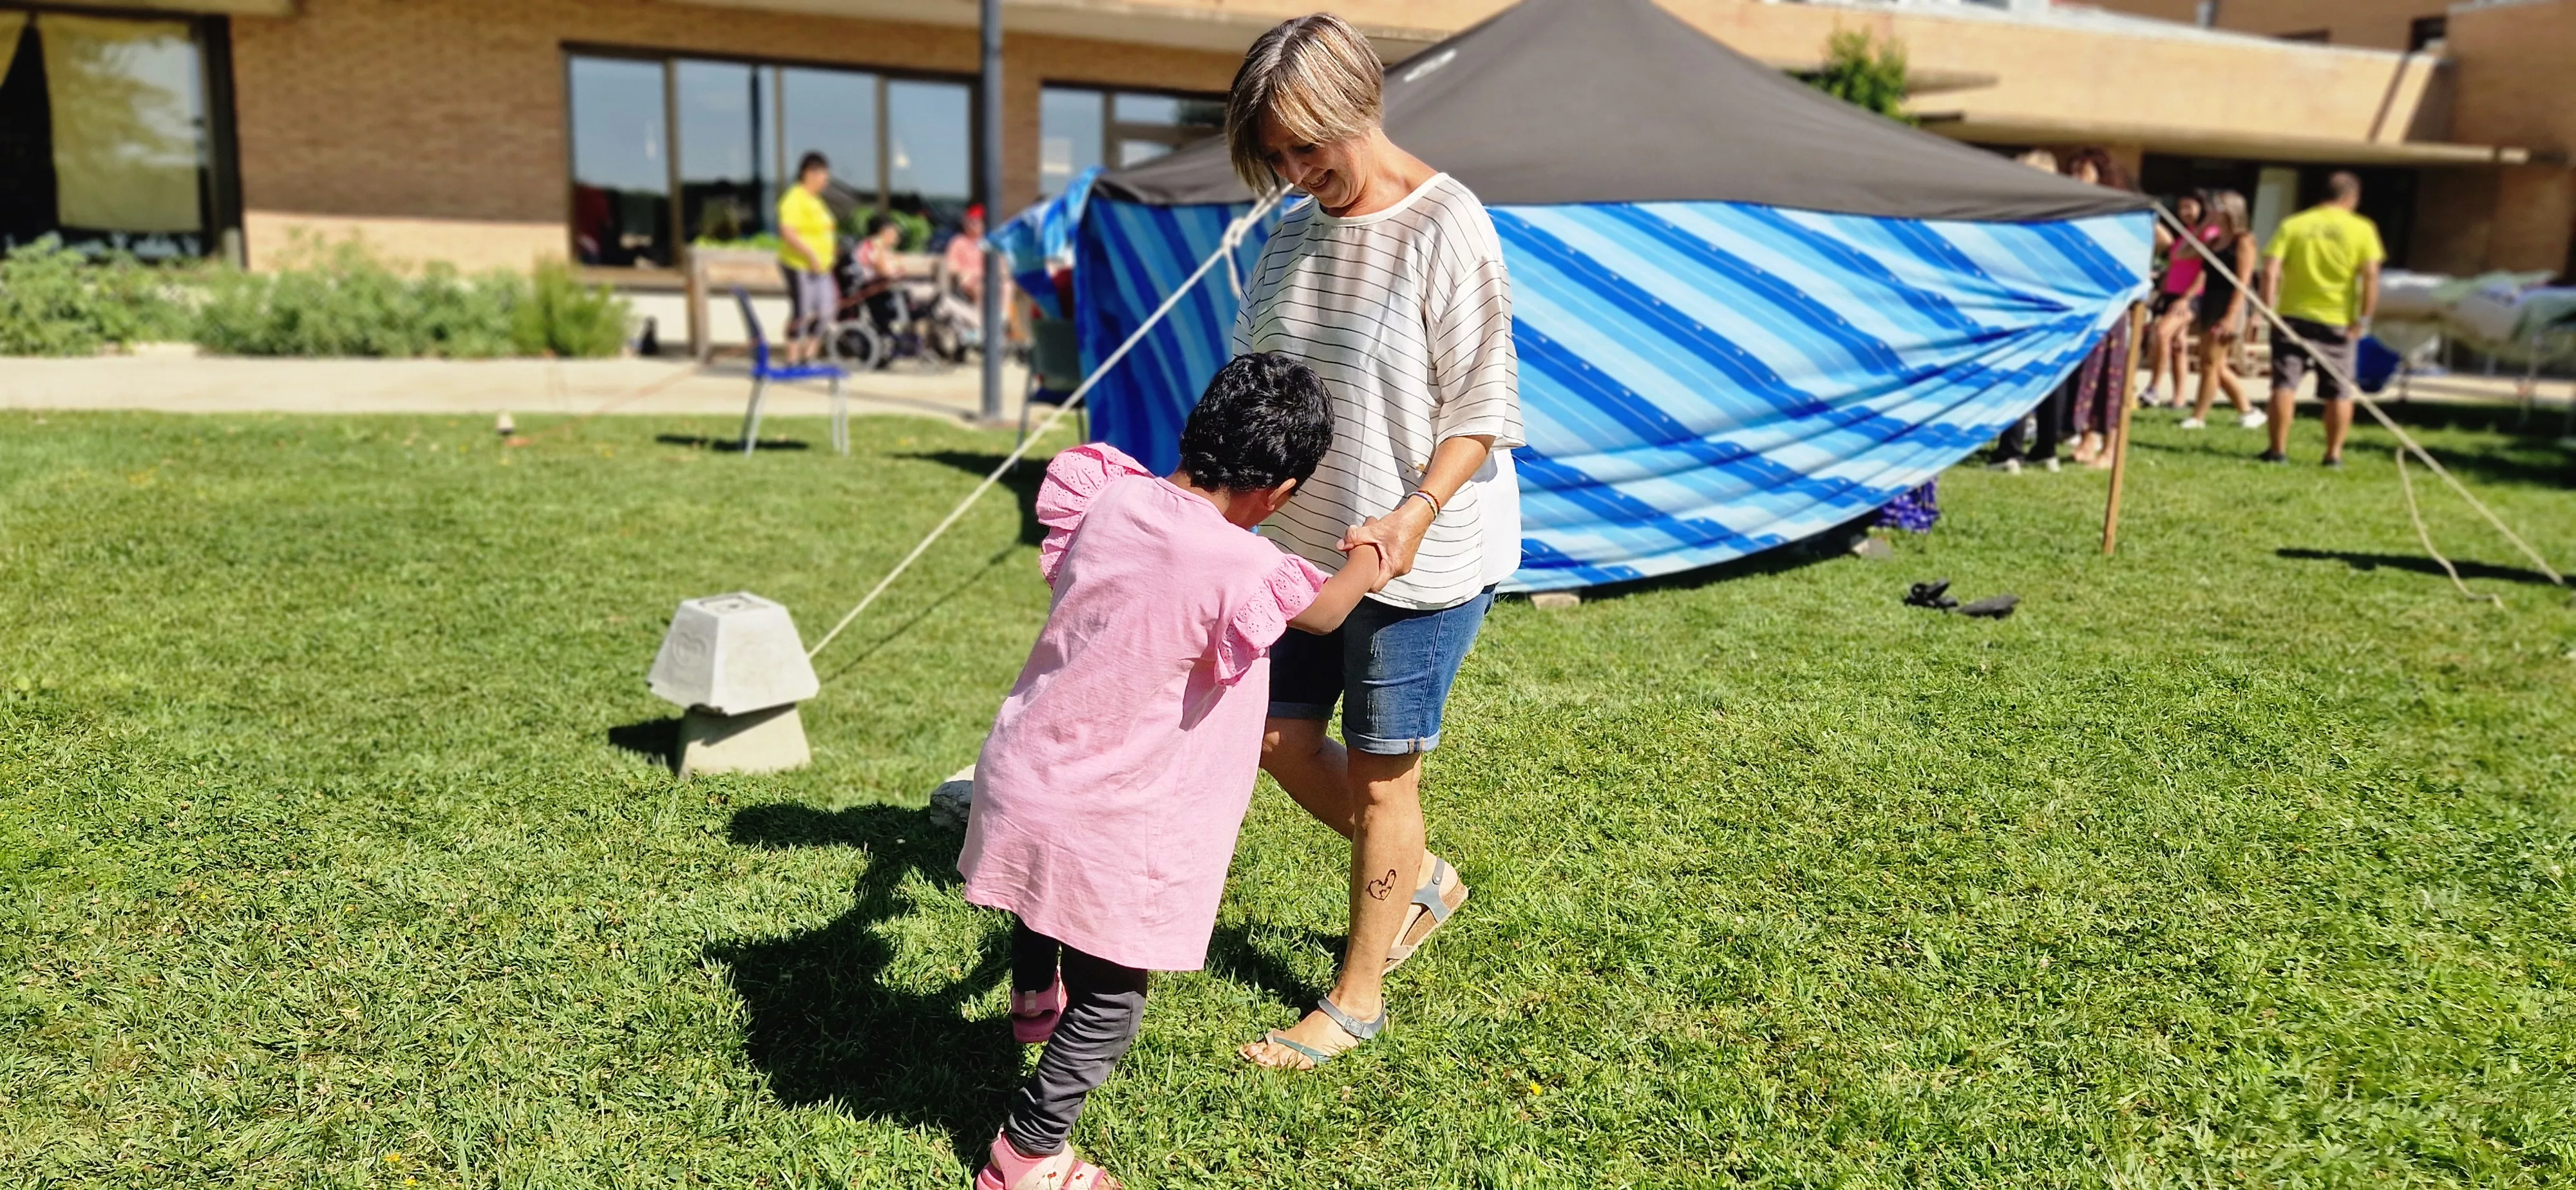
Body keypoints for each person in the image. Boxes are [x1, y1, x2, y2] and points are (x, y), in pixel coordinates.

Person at [958, 353, 1392, 1190]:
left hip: (1024, 771)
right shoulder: (1243, 565)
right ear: (1279, 492)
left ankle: (1030, 1002)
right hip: (1104, 820)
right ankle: (1028, 1151)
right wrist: (1378, 551)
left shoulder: (1109, 494)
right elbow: (1330, 609)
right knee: (1113, 1005)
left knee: (1037, 892)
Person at [1223, 13, 1523, 1070]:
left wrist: (1413, 513)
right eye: (1279, 156)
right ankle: (1422, 879)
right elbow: (1258, 382)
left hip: (1420, 555)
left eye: (1311, 146)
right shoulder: (1294, 233)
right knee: (1277, 739)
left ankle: (1355, 997)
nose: (1298, 173)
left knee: (1388, 777)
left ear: (1360, 106)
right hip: (1304, 548)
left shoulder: (1450, 223)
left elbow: (1482, 405)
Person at [2259, 171, 2383, 466]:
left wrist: (2267, 308)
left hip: (2291, 316)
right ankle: (2333, 454)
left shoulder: (2295, 224)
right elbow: (2371, 276)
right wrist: (2364, 318)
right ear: (2351, 198)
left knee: (2284, 384)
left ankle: (2277, 451)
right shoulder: (2362, 229)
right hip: (2337, 320)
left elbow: (2271, 269)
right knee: (2340, 390)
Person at [2061, 148, 2139, 469]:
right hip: (2087, 299)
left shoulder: (2118, 212)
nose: (2078, 177)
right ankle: (2088, 437)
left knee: (2112, 374)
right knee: (2087, 372)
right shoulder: (2079, 212)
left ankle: (2112, 446)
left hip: (2115, 303)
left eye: (2084, 171)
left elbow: (2158, 239)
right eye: (2075, 171)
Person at [2182, 189, 2264, 431]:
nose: (2213, 211)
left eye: (2217, 207)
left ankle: (2198, 416)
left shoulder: (2244, 240)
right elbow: (2182, 253)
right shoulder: (2214, 241)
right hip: (2211, 300)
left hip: (2231, 303)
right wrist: (2203, 226)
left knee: (2211, 362)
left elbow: (2243, 280)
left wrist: (2231, 315)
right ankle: (2248, 410)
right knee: (2212, 362)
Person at [2141, 191, 2210, 410]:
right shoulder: (2184, 232)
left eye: (2190, 207)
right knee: (2179, 345)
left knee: (2162, 332)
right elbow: (2172, 255)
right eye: (2181, 208)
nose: (2185, 213)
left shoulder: (2208, 233)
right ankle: (2179, 398)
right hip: (2171, 292)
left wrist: (2187, 297)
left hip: (2192, 295)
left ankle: (2153, 387)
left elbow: (2205, 269)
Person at [775, 152, 838, 365]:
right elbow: (787, 231)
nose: (826, 180)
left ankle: (809, 354)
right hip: (799, 265)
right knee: (802, 311)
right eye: (823, 175)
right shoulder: (794, 198)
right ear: (808, 174)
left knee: (826, 311)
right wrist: (810, 254)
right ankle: (792, 356)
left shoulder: (818, 202)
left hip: (822, 268)